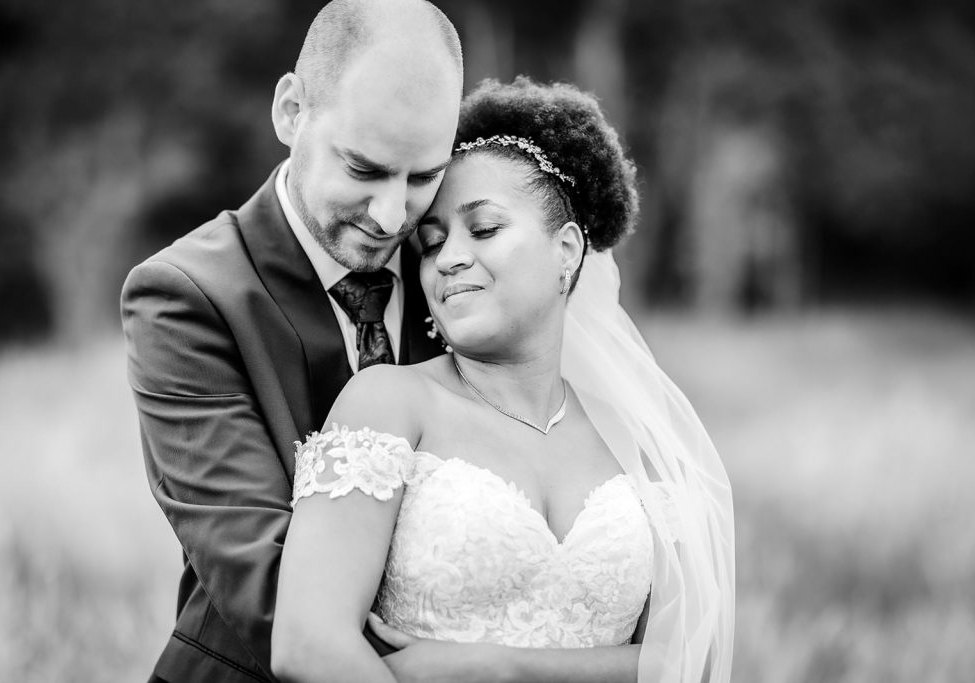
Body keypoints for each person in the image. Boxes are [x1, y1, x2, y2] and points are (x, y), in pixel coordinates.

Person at [271, 77, 735, 683]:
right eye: (431, 243)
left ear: (566, 250)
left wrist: (500, 666)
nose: (449, 258)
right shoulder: (388, 403)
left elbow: (690, 659)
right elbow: (307, 645)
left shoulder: (638, 438)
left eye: (484, 229)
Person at [120, 1, 462, 680]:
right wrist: (494, 663)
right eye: (363, 170)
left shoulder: (467, 272)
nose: (393, 215)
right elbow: (274, 593)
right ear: (290, 111)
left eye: (424, 177)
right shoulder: (183, 297)